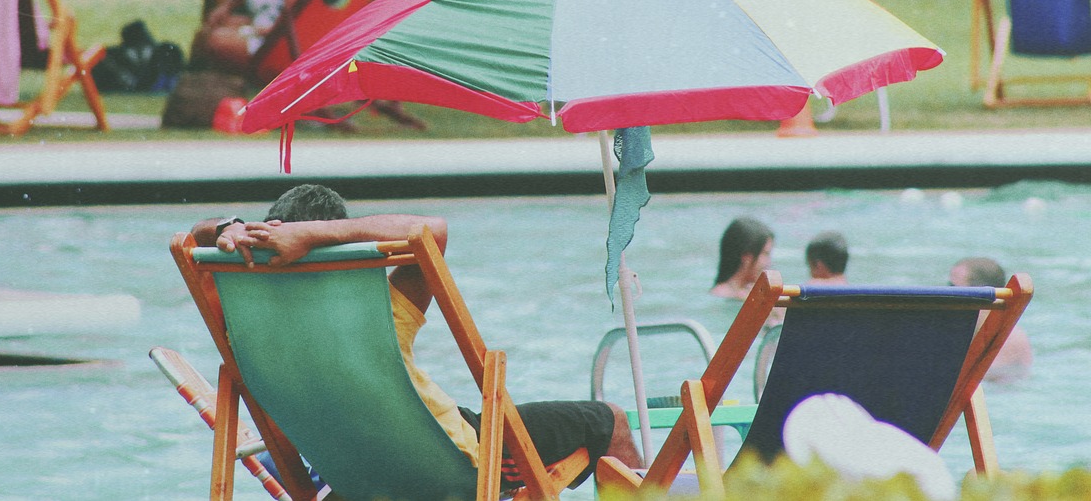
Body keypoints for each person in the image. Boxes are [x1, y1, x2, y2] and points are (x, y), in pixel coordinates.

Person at [191, 185, 643, 491]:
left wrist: (231, 226)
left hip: (351, 474)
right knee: (611, 419)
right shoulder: (378, 315)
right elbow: (433, 231)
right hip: (453, 461)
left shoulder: (239, 324)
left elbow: (192, 236)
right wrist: (319, 235)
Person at [949, 256, 1033, 381]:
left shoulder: (1009, 337)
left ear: (978, 295)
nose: (947, 293)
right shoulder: (974, 329)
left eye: (952, 287)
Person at [710, 217, 775, 299]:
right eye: (765, 254)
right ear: (747, 257)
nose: (769, 263)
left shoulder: (747, 294)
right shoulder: (722, 294)